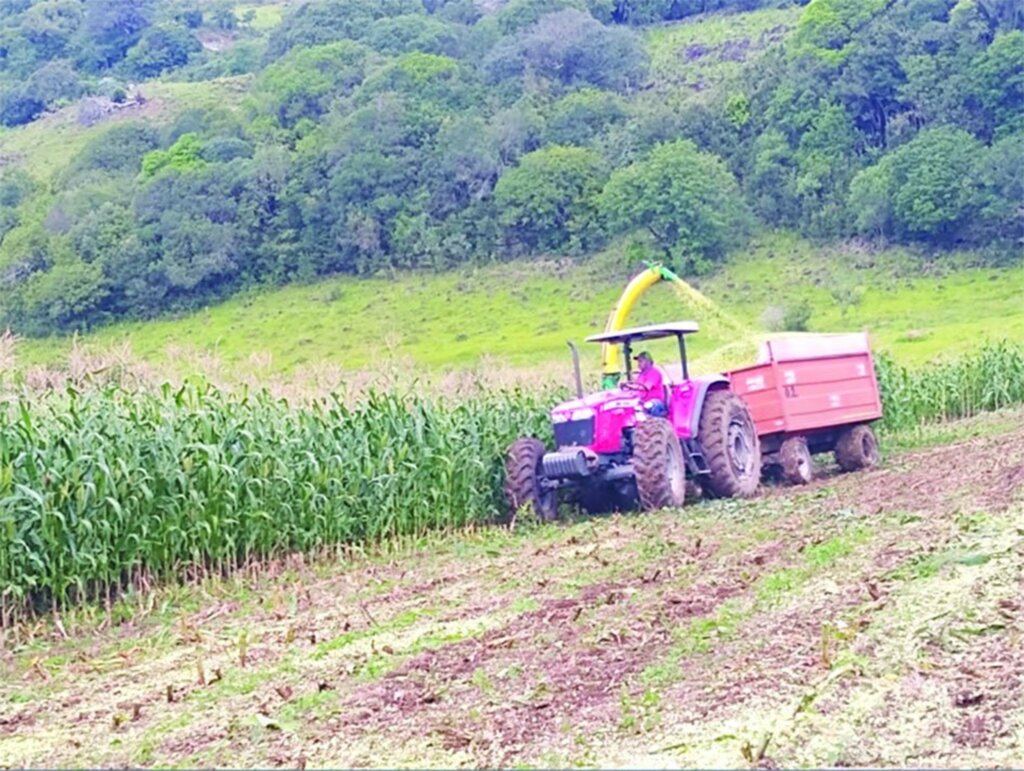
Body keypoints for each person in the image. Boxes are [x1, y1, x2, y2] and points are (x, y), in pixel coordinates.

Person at [622, 351, 668, 417]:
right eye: (638, 362)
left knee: (648, 406)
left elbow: (645, 387)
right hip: (643, 401)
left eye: (640, 361)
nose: (638, 364)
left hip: (655, 402)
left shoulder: (654, 372)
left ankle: (653, 424)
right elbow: (637, 385)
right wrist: (627, 384)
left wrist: (629, 386)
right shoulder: (642, 374)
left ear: (648, 362)